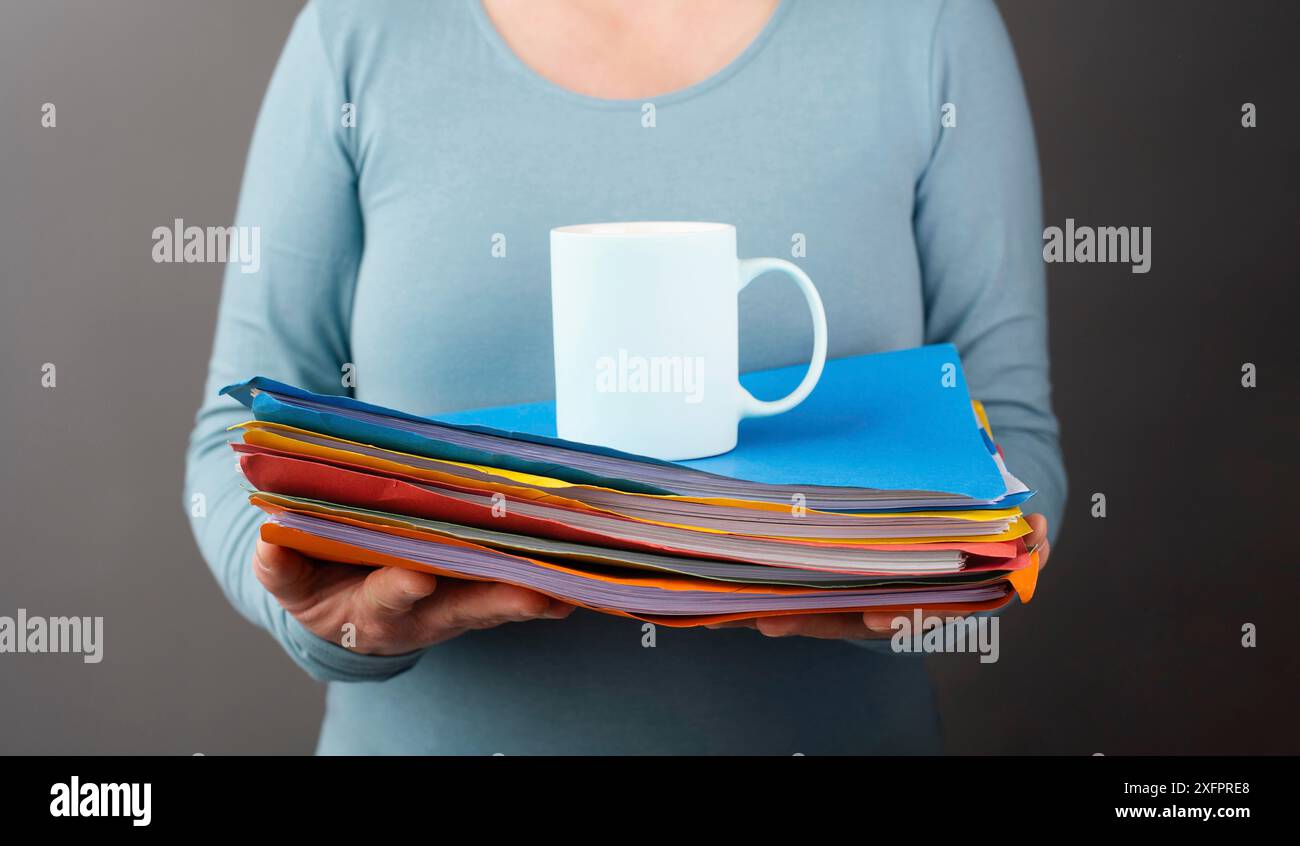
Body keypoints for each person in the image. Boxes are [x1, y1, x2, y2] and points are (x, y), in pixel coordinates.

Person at [185, 0, 1064, 754]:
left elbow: (1007, 428)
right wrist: (336, 620)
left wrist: (935, 582)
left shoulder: (924, 24)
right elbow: (238, 433)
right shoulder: (360, 29)